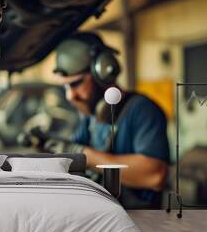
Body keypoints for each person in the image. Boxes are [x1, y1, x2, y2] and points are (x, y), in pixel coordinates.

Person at [44, 32, 170, 209]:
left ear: (103, 71)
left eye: (76, 84)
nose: (70, 96)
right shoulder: (90, 115)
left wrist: (84, 156)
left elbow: (155, 175)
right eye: (66, 86)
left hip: (138, 222)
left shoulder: (142, 110)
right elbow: (74, 153)